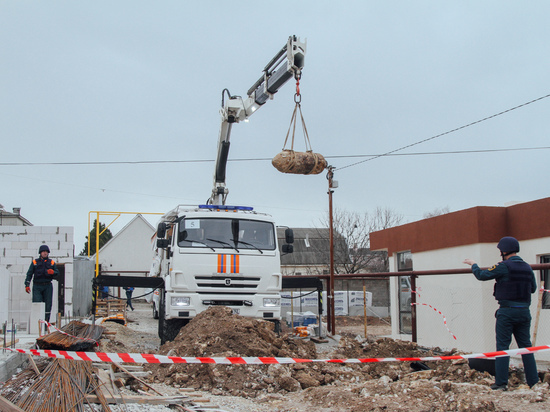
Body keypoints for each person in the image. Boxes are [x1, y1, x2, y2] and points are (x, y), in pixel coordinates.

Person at [463, 236, 539, 391]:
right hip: (524, 312)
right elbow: (533, 288)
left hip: (507, 312)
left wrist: (474, 264)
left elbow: (482, 275)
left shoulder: (504, 266)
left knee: (503, 348)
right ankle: (533, 382)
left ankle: (501, 383)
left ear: (504, 251)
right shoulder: (527, 267)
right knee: (526, 348)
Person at [24, 245, 59, 322]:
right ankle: (37, 323)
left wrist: (53, 272)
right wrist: (27, 285)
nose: (45, 253)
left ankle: (46, 322)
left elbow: (57, 273)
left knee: (48, 305)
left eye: (46, 252)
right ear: (40, 253)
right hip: (37, 286)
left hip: (48, 286)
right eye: (43, 252)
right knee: (37, 304)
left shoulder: (52, 262)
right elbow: (29, 274)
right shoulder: (35, 262)